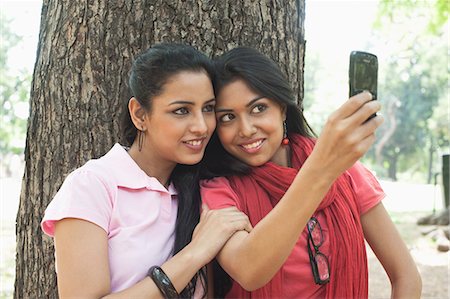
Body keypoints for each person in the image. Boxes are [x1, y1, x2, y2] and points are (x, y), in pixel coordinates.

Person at [200, 47, 422, 298]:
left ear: (282, 109)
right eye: (228, 117)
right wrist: (321, 170)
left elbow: (405, 275)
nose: (247, 129)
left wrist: (328, 166)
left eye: (258, 108)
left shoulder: (344, 171)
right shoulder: (218, 190)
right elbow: (249, 271)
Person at [40, 43, 252, 299]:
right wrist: (196, 252)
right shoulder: (92, 186)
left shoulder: (201, 191)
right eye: (181, 111)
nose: (201, 126)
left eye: (208, 108)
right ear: (140, 115)